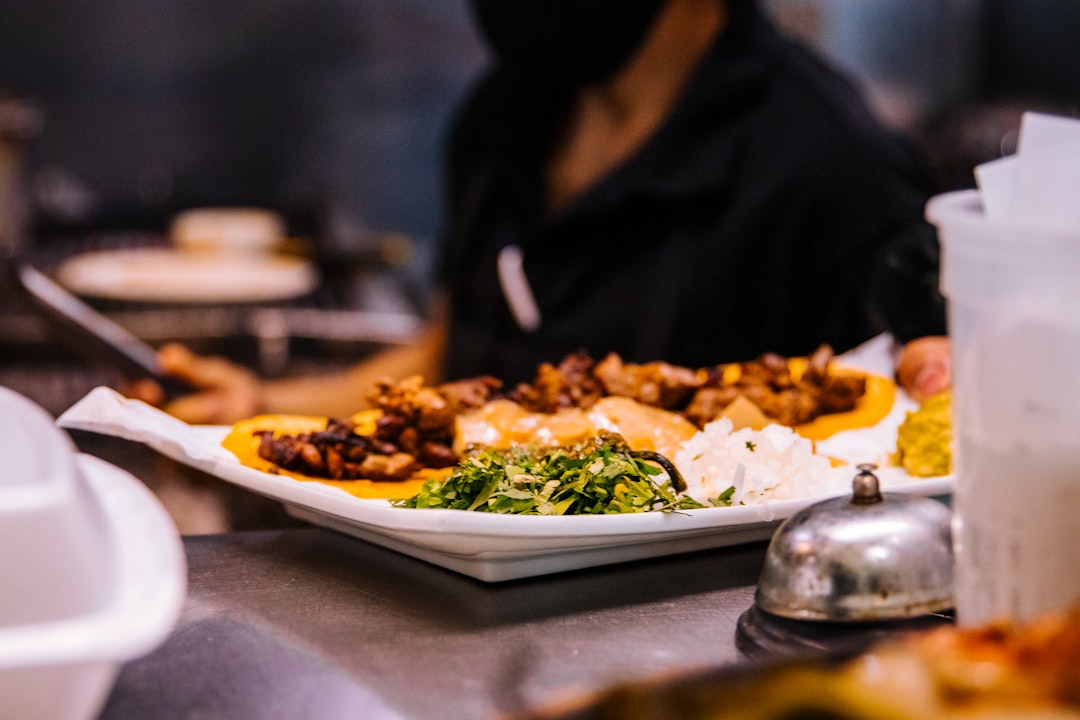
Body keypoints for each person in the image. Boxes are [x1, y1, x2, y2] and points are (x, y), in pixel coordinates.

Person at [136, 0, 951, 424]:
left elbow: (902, 428)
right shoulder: (508, 113)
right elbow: (445, 354)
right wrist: (263, 405)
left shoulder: (830, 167)